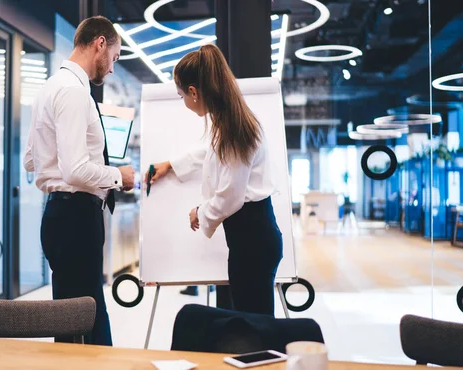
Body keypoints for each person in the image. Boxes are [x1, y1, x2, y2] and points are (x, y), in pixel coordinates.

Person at [146, 44, 283, 316]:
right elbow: (209, 154)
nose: (183, 101)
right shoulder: (230, 121)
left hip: (252, 237)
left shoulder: (234, 129)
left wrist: (200, 212)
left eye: (181, 95)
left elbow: (231, 195)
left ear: (194, 92)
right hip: (253, 235)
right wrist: (171, 165)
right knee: (253, 320)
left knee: (255, 326)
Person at [24, 16, 135, 345]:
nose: (112, 68)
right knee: (87, 318)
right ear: (100, 43)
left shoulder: (48, 89)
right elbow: (74, 170)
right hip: (77, 219)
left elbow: (31, 160)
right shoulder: (74, 93)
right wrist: (118, 175)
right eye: (114, 58)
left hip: (59, 216)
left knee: (72, 321)